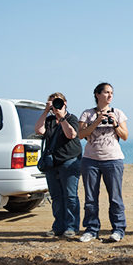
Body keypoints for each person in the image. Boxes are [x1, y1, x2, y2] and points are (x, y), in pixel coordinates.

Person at [78, 82, 129, 243]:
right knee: (90, 198)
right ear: (97, 94)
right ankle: (91, 229)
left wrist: (114, 123)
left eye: (111, 93)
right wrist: (96, 121)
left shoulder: (118, 113)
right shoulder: (87, 114)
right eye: (106, 92)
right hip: (90, 160)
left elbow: (125, 136)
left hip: (113, 160)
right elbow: (81, 135)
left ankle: (118, 229)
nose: (109, 95)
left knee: (115, 197)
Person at [34, 93, 82, 238]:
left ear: (65, 103)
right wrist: (45, 111)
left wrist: (61, 118)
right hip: (52, 163)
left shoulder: (71, 118)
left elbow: (70, 134)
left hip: (69, 161)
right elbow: (38, 130)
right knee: (56, 196)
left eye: (58, 102)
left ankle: (72, 227)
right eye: (53, 103)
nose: (56, 105)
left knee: (70, 196)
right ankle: (58, 226)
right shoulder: (48, 120)